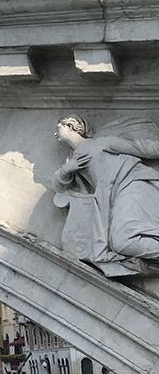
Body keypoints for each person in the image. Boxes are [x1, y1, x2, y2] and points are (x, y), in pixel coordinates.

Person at [53, 115, 159, 278]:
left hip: (131, 183)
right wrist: (67, 170)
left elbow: (143, 148)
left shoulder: (100, 143)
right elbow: (59, 186)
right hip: (112, 197)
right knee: (123, 242)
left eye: (59, 127)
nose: (56, 133)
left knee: (124, 240)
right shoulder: (73, 160)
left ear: (71, 126)